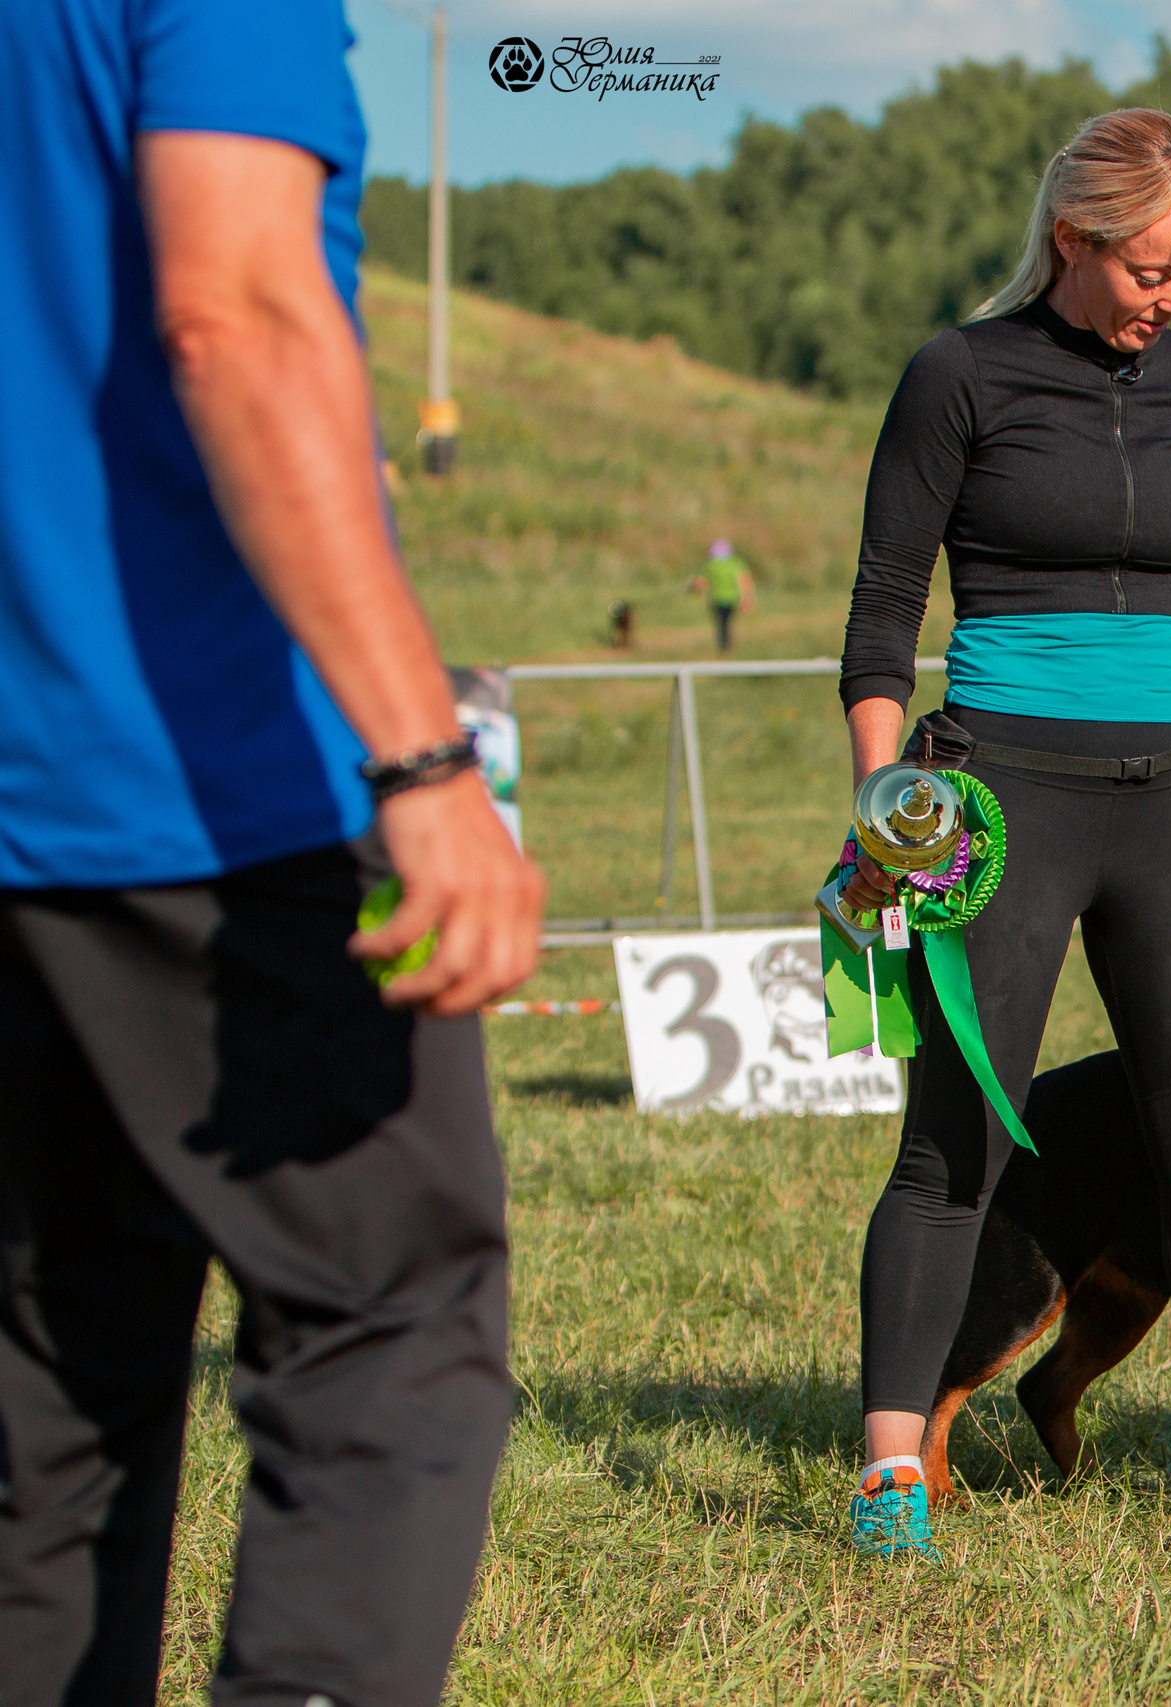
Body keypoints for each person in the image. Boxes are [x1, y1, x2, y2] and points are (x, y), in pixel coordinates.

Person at [0, 3, 547, 1702]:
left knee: (51, 1386)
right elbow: (231, 309)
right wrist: (424, 755)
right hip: (208, 788)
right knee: (391, 1328)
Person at [837, 108, 1171, 1557]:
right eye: (1152, 271)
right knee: (955, 1147)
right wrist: (884, 806)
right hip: (1001, 797)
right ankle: (890, 1474)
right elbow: (885, 603)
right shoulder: (958, 375)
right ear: (1074, 239)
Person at [691, 538, 755, 652]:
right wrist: (747, 598)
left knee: (721, 622)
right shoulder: (736, 563)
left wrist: (695, 590)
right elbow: (745, 580)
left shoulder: (710, 564)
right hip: (732, 599)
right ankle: (727, 645)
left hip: (716, 599)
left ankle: (723, 645)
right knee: (727, 622)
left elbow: (700, 583)